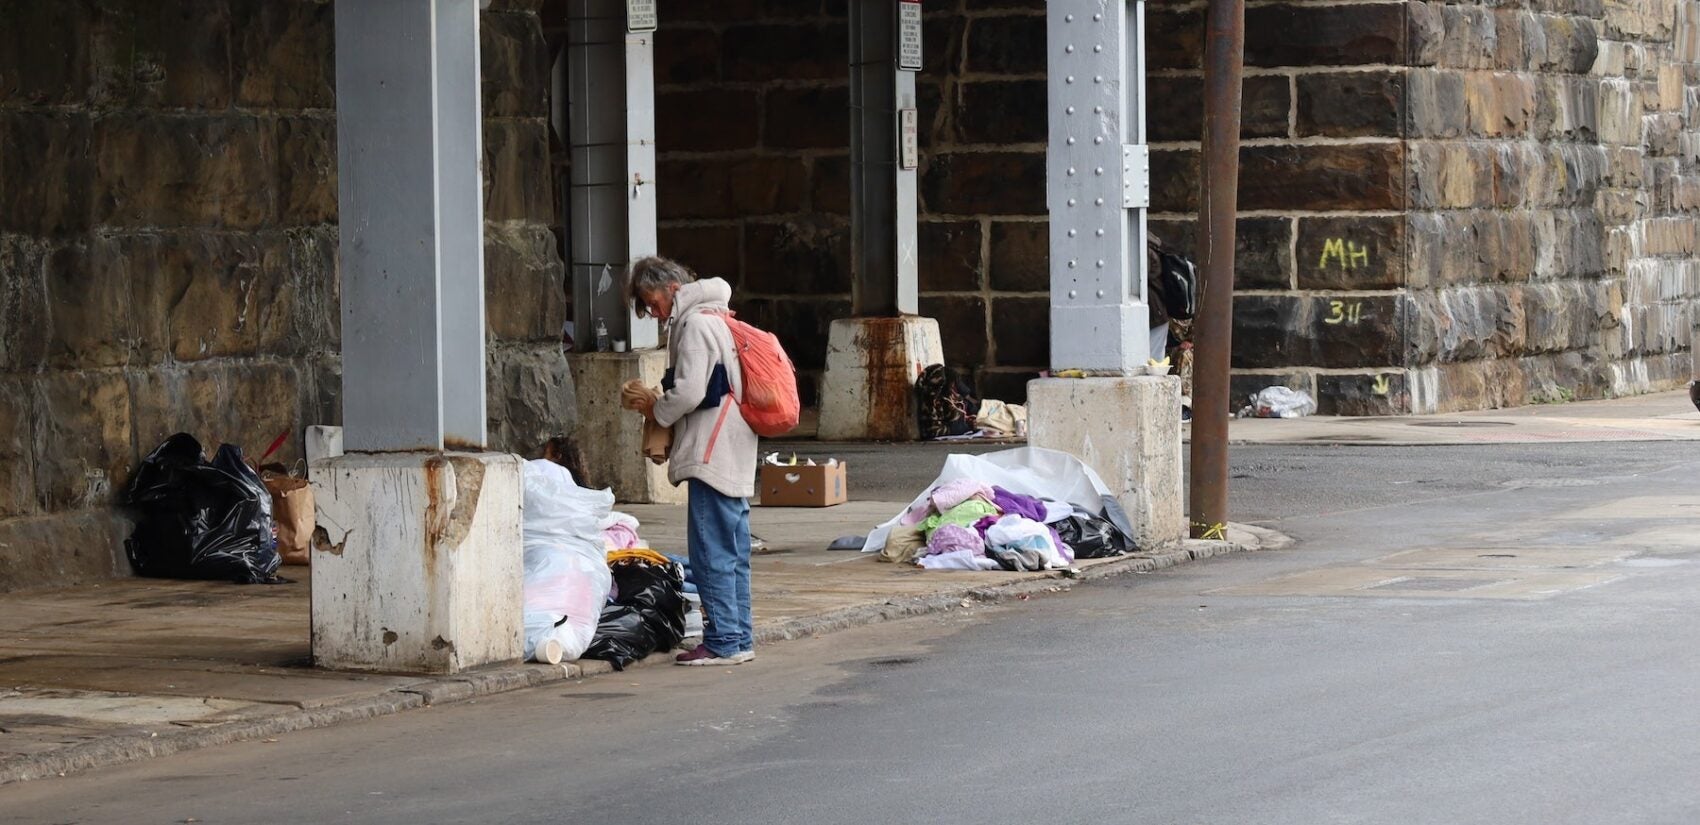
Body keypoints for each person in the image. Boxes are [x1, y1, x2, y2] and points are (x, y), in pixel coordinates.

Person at [625, 256, 759, 666]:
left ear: (671, 289)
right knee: (733, 551)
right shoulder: (715, 316)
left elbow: (689, 392)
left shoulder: (696, 324)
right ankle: (739, 637)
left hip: (710, 453)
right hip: (732, 448)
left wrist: (656, 409)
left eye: (652, 303)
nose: (654, 313)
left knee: (711, 552)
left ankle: (722, 642)